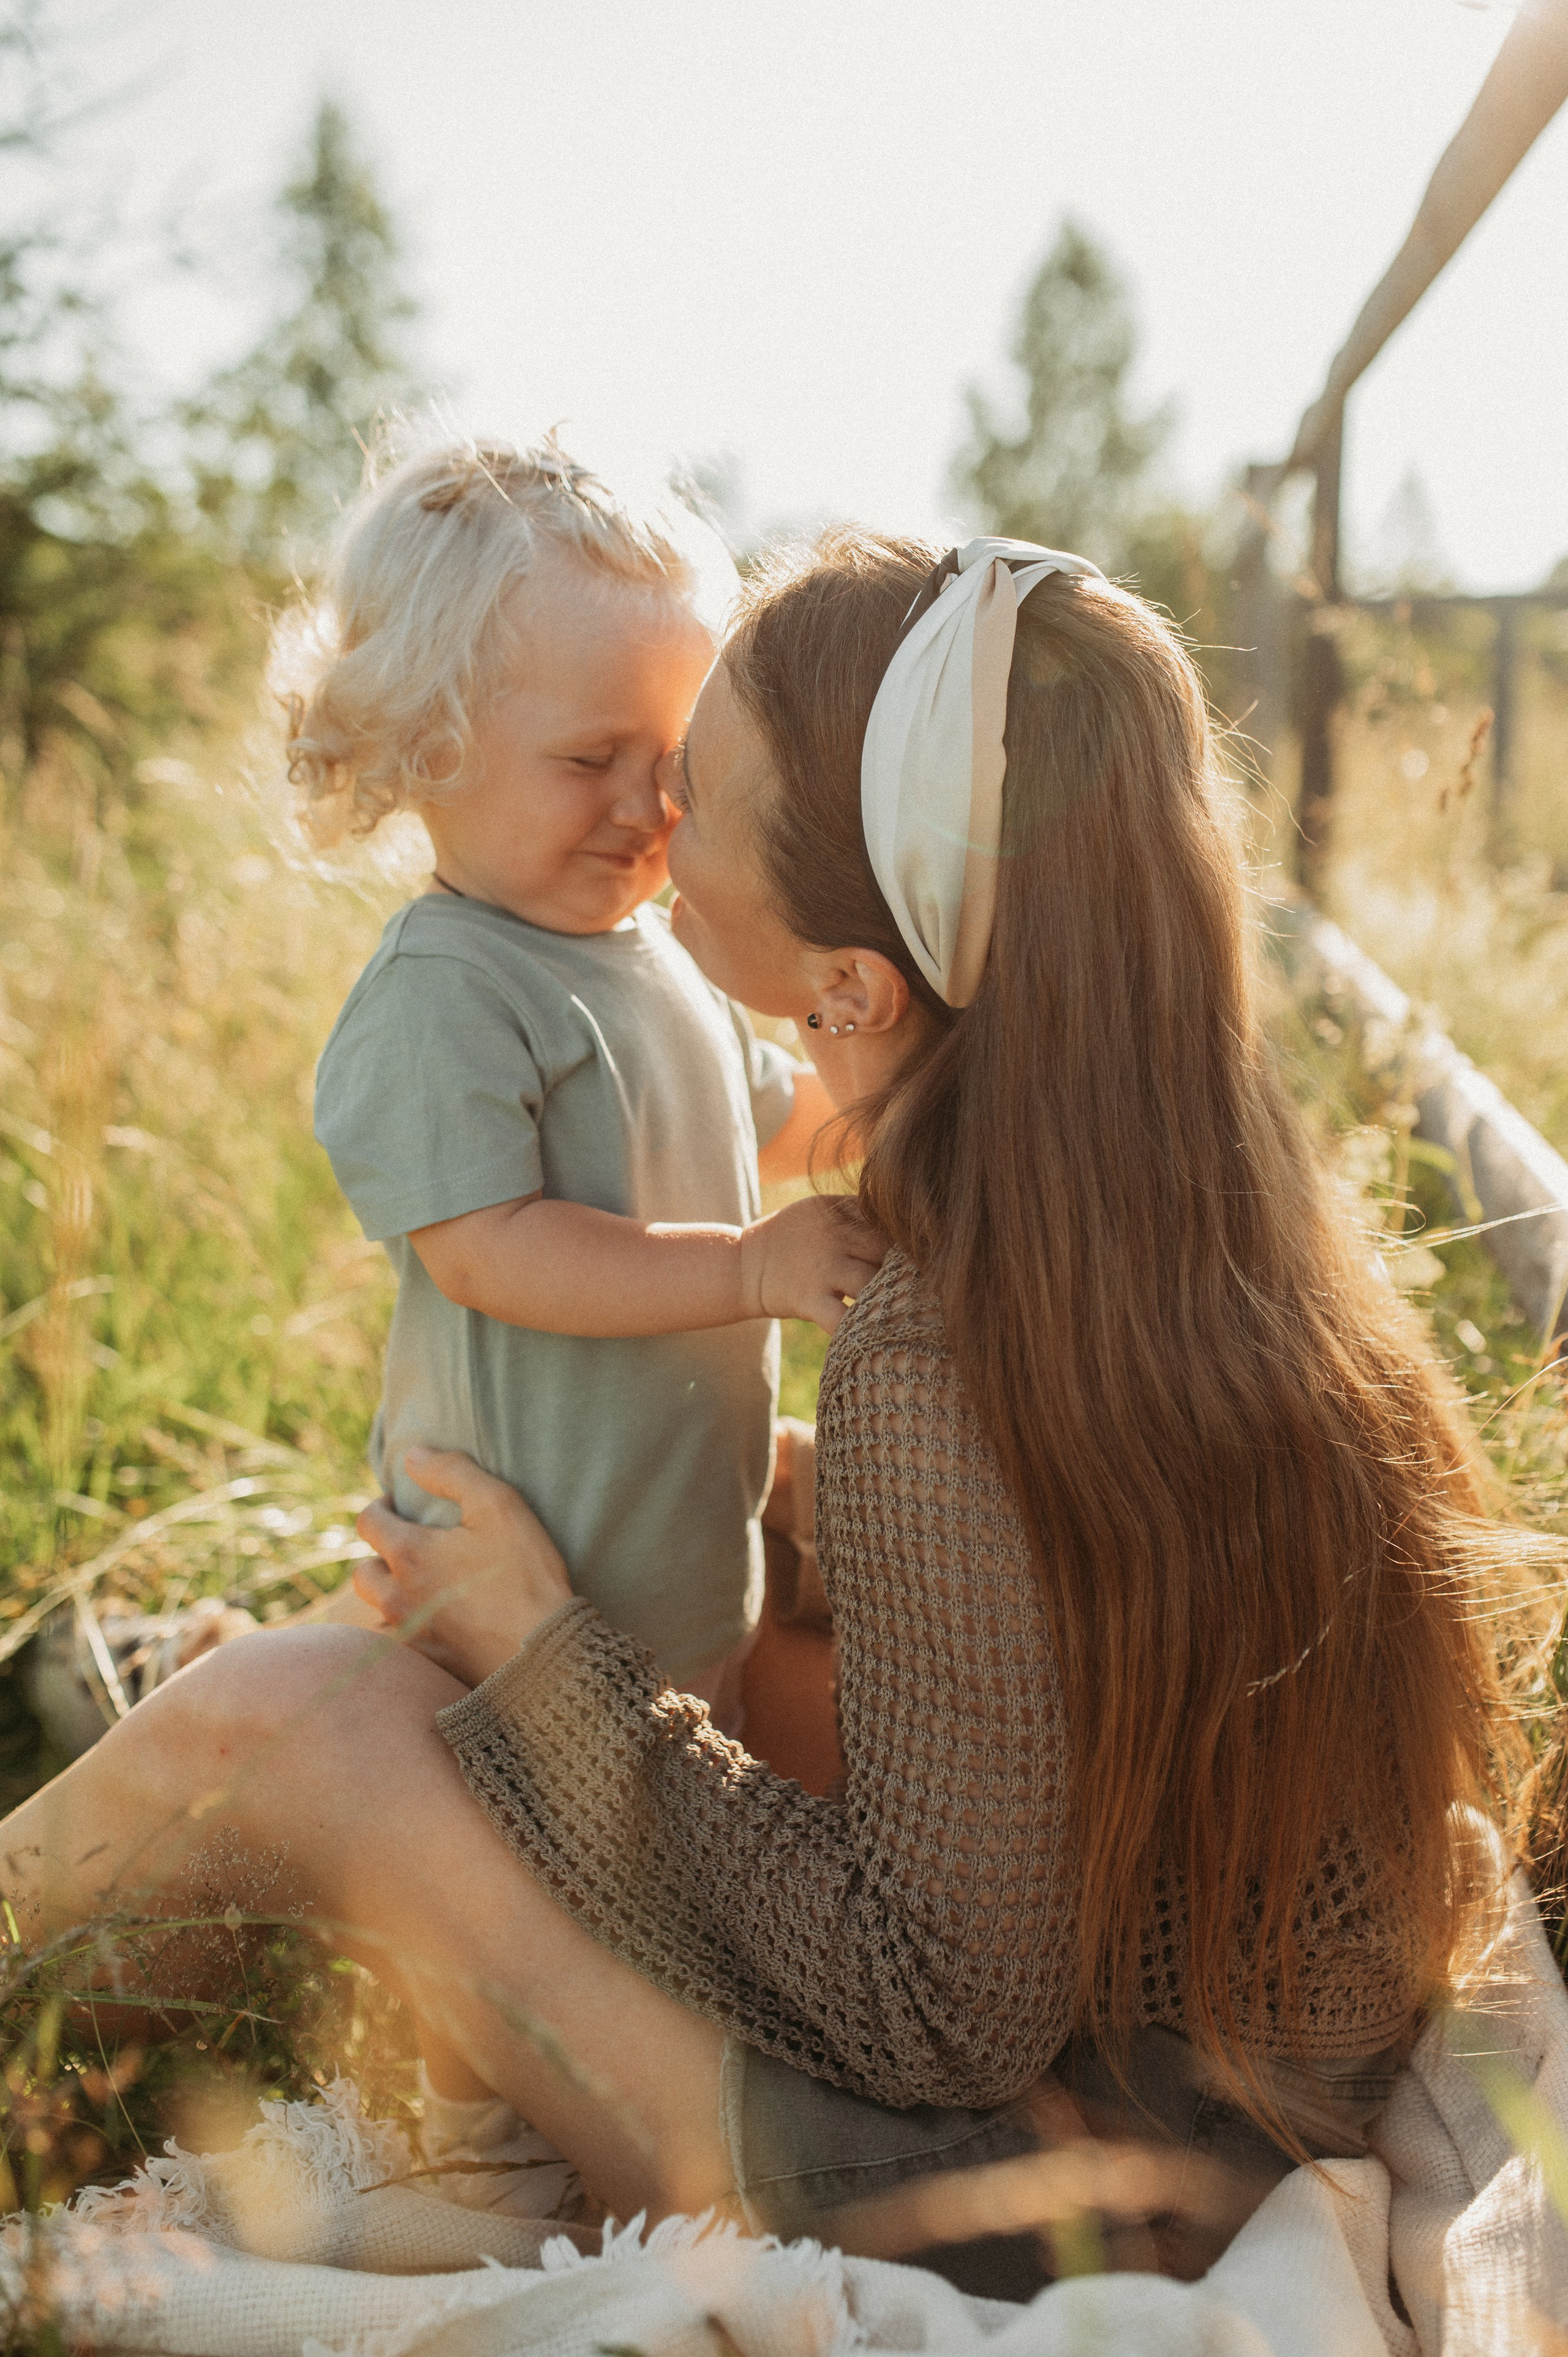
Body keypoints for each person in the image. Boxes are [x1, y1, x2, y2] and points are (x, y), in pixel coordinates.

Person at [3, 528, 1520, 2295]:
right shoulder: (1205, 1206)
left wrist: (541, 1646)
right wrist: (805, 1509)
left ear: (853, 992)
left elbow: (930, 2008)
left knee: (291, 1709)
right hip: (1215, 2092)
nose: (655, 827)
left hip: (990, 2192)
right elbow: (1044, 1619)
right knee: (771, 1630)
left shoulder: (934, 1350)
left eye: (700, 797)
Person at [288, 436, 877, 1724]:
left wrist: (928, 1098)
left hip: (671, 1551)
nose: (643, 807)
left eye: (669, 764)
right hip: (503, 1582)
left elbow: (770, 1117)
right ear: (425, 744)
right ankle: (175, 1677)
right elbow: (487, 1248)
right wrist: (747, 1269)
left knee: (678, 1838)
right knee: (519, 1875)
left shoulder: (655, 955)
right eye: (585, 759)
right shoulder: (446, 991)